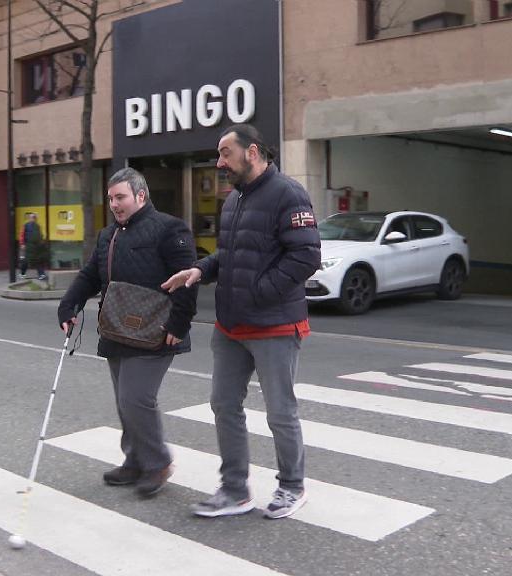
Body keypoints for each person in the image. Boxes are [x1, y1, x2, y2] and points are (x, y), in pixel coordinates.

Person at [162, 124, 321, 520]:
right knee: (223, 405)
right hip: (231, 325)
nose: (219, 163)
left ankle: (292, 486)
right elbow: (230, 254)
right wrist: (200, 270)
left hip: (274, 325)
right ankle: (235, 489)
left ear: (251, 152)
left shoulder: (288, 193)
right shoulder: (233, 200)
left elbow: (305, 257)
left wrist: (258, 292)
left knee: (280, 412)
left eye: (224, 153)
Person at [58, 167, 198, 498]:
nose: (114, 204)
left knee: (136, 398)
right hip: (116, 329)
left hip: (156, 331)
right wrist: (69, 306)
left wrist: (179, 325)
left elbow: (188, 280)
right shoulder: (109, 235)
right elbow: (90, 275)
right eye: (110, 199)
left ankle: (158, 462)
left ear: (141, 195)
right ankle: (135, 460)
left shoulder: (169, 228)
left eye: (120, 197)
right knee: (125, 402)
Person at [19, 212, 48, 280]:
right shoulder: (26, 225)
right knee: (26, 260)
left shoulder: (37, 226)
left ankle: (41, 274)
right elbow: (22, 235)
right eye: (32, 217)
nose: (33, 219)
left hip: (36, 247)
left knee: (38, 260)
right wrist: (22, 244)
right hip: (28, 246)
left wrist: (41, 244)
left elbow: (40, 236)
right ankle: (22, 274)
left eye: (34, 217)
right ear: (29, 218)